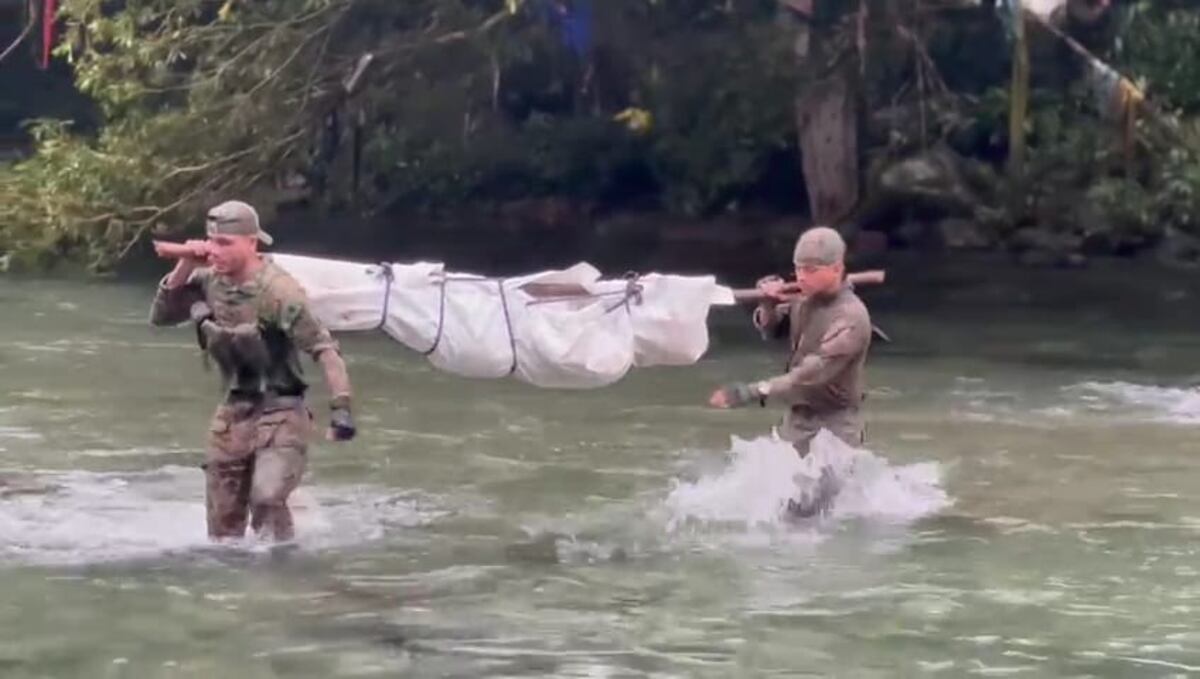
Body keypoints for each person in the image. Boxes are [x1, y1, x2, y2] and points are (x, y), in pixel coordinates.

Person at [149, 200, 356, 543]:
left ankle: (284, 573)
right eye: (210, 242)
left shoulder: (279, 292)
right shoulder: (209, 280)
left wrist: (342, 410)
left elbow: (325, 350)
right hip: (234, 411)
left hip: (282, 410)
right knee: (222, 534)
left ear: (252, 243)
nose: (215, 251)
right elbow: (161, 316)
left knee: (267, 498)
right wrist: (186, 259)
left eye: (225, 244)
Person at [708, 226, 873, 515]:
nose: (801, 278)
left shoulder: (852, 318)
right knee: (777, 504)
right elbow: (770, 330)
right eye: (798, 270)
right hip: (797, 417)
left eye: (811, 270)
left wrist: (752, 391)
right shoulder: (802, 300)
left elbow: (811, 372)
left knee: (816, 512)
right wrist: (767, 303)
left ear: (836, 269)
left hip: (836, 424)